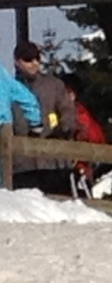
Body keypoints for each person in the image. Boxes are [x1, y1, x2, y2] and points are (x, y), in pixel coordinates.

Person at [11, 40, 78, 194]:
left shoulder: (54, 85)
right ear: (17, 62)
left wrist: (64, 129)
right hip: (22, 165)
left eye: (37, 59)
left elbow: (68, 111)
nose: (34, 64)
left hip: (53, 162)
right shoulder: (9, 89)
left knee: (58, 208)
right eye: (28, 60)